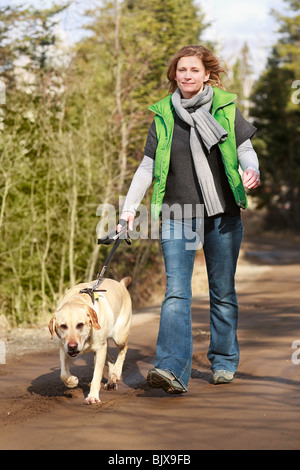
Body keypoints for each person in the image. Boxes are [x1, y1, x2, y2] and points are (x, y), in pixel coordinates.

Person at [118, 45, 260, 394]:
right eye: (181, 70)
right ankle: (172, 368)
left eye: (194, 70)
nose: (187, 75)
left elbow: (243, 147)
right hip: (176, 212)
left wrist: (251, 169)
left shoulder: (225, 107)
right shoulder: (164, 114)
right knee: (177, 291)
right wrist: (129, 207)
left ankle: (224, 361)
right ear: (174, 75)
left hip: (223, 212)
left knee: (222, 290)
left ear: (207, 74)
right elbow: (149, 165)